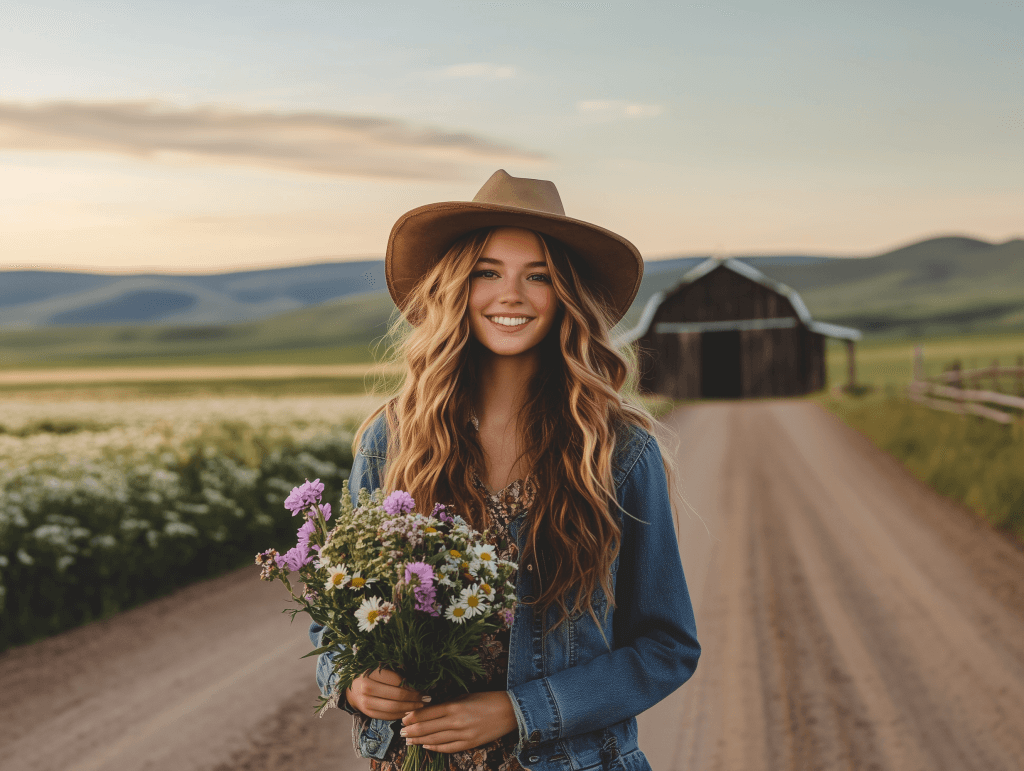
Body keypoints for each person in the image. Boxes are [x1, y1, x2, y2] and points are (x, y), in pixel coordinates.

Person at [309, 169, 700, 770]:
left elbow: (665, 647)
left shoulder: (617, 452)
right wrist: (352, 681)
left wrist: (522, 710)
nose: (510, 295)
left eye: (537, 276)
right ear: (455, 288)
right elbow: (338, 623)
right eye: (487, 272)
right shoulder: (393, 440)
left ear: (565, 296)